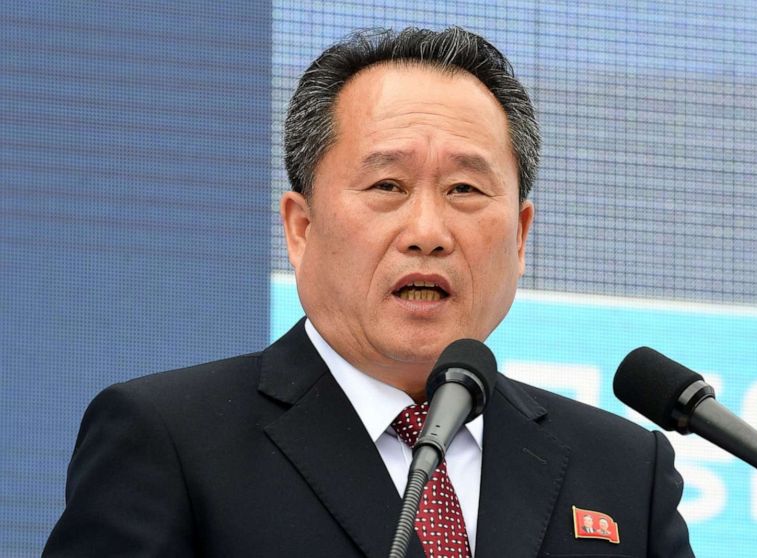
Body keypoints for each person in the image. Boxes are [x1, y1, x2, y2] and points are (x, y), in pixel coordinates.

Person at [44, 27, 693, 557]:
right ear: (301, 229)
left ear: (520, 236)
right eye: (387, 186)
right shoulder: (172, 441)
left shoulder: (623, 470)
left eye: (465, 189)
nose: (428, 232)